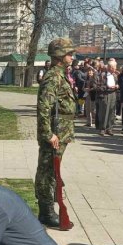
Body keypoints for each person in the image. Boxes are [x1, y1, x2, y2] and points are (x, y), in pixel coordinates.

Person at [34, 38, 76, 229]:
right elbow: (44, 108)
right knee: (47, 173)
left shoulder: (61, 75)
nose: (72, 57)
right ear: (60, 56)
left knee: (53, 172)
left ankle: (49, 209)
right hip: (55, 134)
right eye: (69, 53)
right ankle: (46, 212)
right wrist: (48, 134)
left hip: (62, 132)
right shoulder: (53, 77)